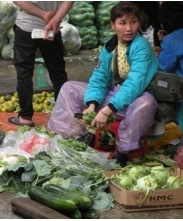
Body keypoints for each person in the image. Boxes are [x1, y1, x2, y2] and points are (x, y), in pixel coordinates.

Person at [47, 2, 164, 167]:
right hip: (113, 96)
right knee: (69, 88)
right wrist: (92, 104)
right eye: (122, 23)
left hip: (134, 100)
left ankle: (123, 151)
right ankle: (79, 137)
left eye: (133, 22)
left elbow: (134, 85)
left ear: (139, 22)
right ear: (113, 24)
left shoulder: (142, 47)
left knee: (146, 103)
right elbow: (99, 77)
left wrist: (108, 109)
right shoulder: (110, 46)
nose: (129, 28)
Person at [8, 1, 74, 127]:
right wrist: (55, 20)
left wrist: (43, 14)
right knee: (57, 72)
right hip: (52, 29)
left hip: (26, 27)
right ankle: (63, 115)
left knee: (24, 73)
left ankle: (25, 117)